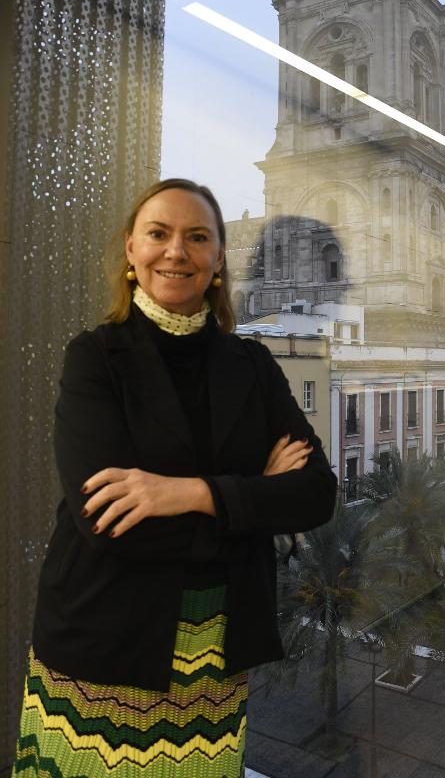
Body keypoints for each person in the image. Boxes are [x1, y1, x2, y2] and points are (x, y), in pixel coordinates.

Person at [13, 177, 337, 778]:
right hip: (101, 646)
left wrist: (185, 493)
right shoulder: (94, 357)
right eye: (158, 234)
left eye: (196, 238)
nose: (176, 251)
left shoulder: (253, 364)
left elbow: (316, 493)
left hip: (216, 662)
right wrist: (250, 499)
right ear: (131, 252)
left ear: (217, 259)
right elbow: (108, 526)